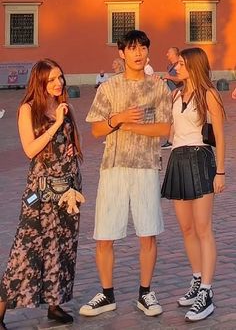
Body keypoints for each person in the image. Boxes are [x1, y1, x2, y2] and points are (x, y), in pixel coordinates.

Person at [79, 30, 172, 318]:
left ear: (147, 51)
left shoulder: (158, 88)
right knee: (104, 235)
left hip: (145, 166)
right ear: (121, 53)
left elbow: (164, 129)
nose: (138, 53)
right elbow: (95, 129)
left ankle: (145, 293)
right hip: (114, 166)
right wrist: (118, 119)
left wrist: (130, 127)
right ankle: (107, 294)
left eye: (142, 47)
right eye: (132, 48)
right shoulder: (108, 88)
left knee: (148, 234)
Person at [0, 59, 85, 329]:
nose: (58, 83)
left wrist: (71, 149)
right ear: (40, 82)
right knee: (25, 251)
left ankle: (54, 303)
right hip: (40, 192)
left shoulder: (63, 106)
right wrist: (56, 124)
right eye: (51, 80)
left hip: (67, 190)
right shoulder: (28, 109)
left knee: (62, 248)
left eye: (60, 77)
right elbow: (29, 150)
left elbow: (68, 144)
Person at [161, 47, 225, 322]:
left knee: (203, 228)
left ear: (194, 66)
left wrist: (220, 172)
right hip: (178, 158)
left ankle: (207, 293)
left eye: (182, 64)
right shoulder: (176, 94)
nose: (177, 67)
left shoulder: (209, 94)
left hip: (200, 159)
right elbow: (170, 131)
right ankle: (197, 280)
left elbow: (220, 137)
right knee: (186, 228)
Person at [161, 46, 182, 149]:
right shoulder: (170, 66)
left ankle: (171, 140)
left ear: (174, 54)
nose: (166, 54)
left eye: (168, 52)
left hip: (178, 94)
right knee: (173, 117)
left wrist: (168, 77)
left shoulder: (180, 64)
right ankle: (172, 139)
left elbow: (179, 79)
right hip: (171, 94)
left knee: (174, 117)